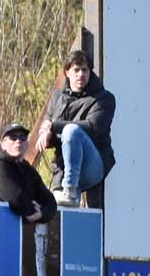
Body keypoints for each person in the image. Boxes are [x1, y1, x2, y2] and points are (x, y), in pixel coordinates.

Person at [0, 122, 58, 276]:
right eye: (13, 137)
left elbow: (51, 203)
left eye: (23, 138)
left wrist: (40, 214)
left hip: (23, 252)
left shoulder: (26, 169)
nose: (18, 141)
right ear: (2, 143)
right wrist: (31, 210)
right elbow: (17, 200)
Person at [39, 49, 116, 207]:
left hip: (93, 165)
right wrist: (46, 134)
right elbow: (48, 127)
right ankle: (66, 192)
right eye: (76, 70)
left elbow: (92, 127)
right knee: (54, 210)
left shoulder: (103, 98)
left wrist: (55, 126)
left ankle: (70, 192)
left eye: (85, 70)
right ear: (67, 72)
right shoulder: (57, 97)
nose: (81, 74)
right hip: (64, 167)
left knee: (71, 130)